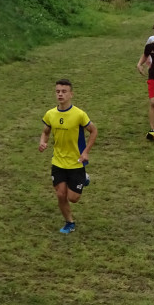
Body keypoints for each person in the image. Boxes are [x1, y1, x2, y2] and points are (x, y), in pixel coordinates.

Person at [39, 79, 97, 234]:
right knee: (60, 194)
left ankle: (84, 178)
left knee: (73, 198)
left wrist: (85, 152)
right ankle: (69, 222)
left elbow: (93, 131)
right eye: (58, 91)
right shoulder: (50, 114)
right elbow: (45, 131)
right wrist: (43, 142)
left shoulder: (79, 114)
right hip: (58, 161)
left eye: (64, 91)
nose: (60, 94)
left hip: (76, 162)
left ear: (71, 94)